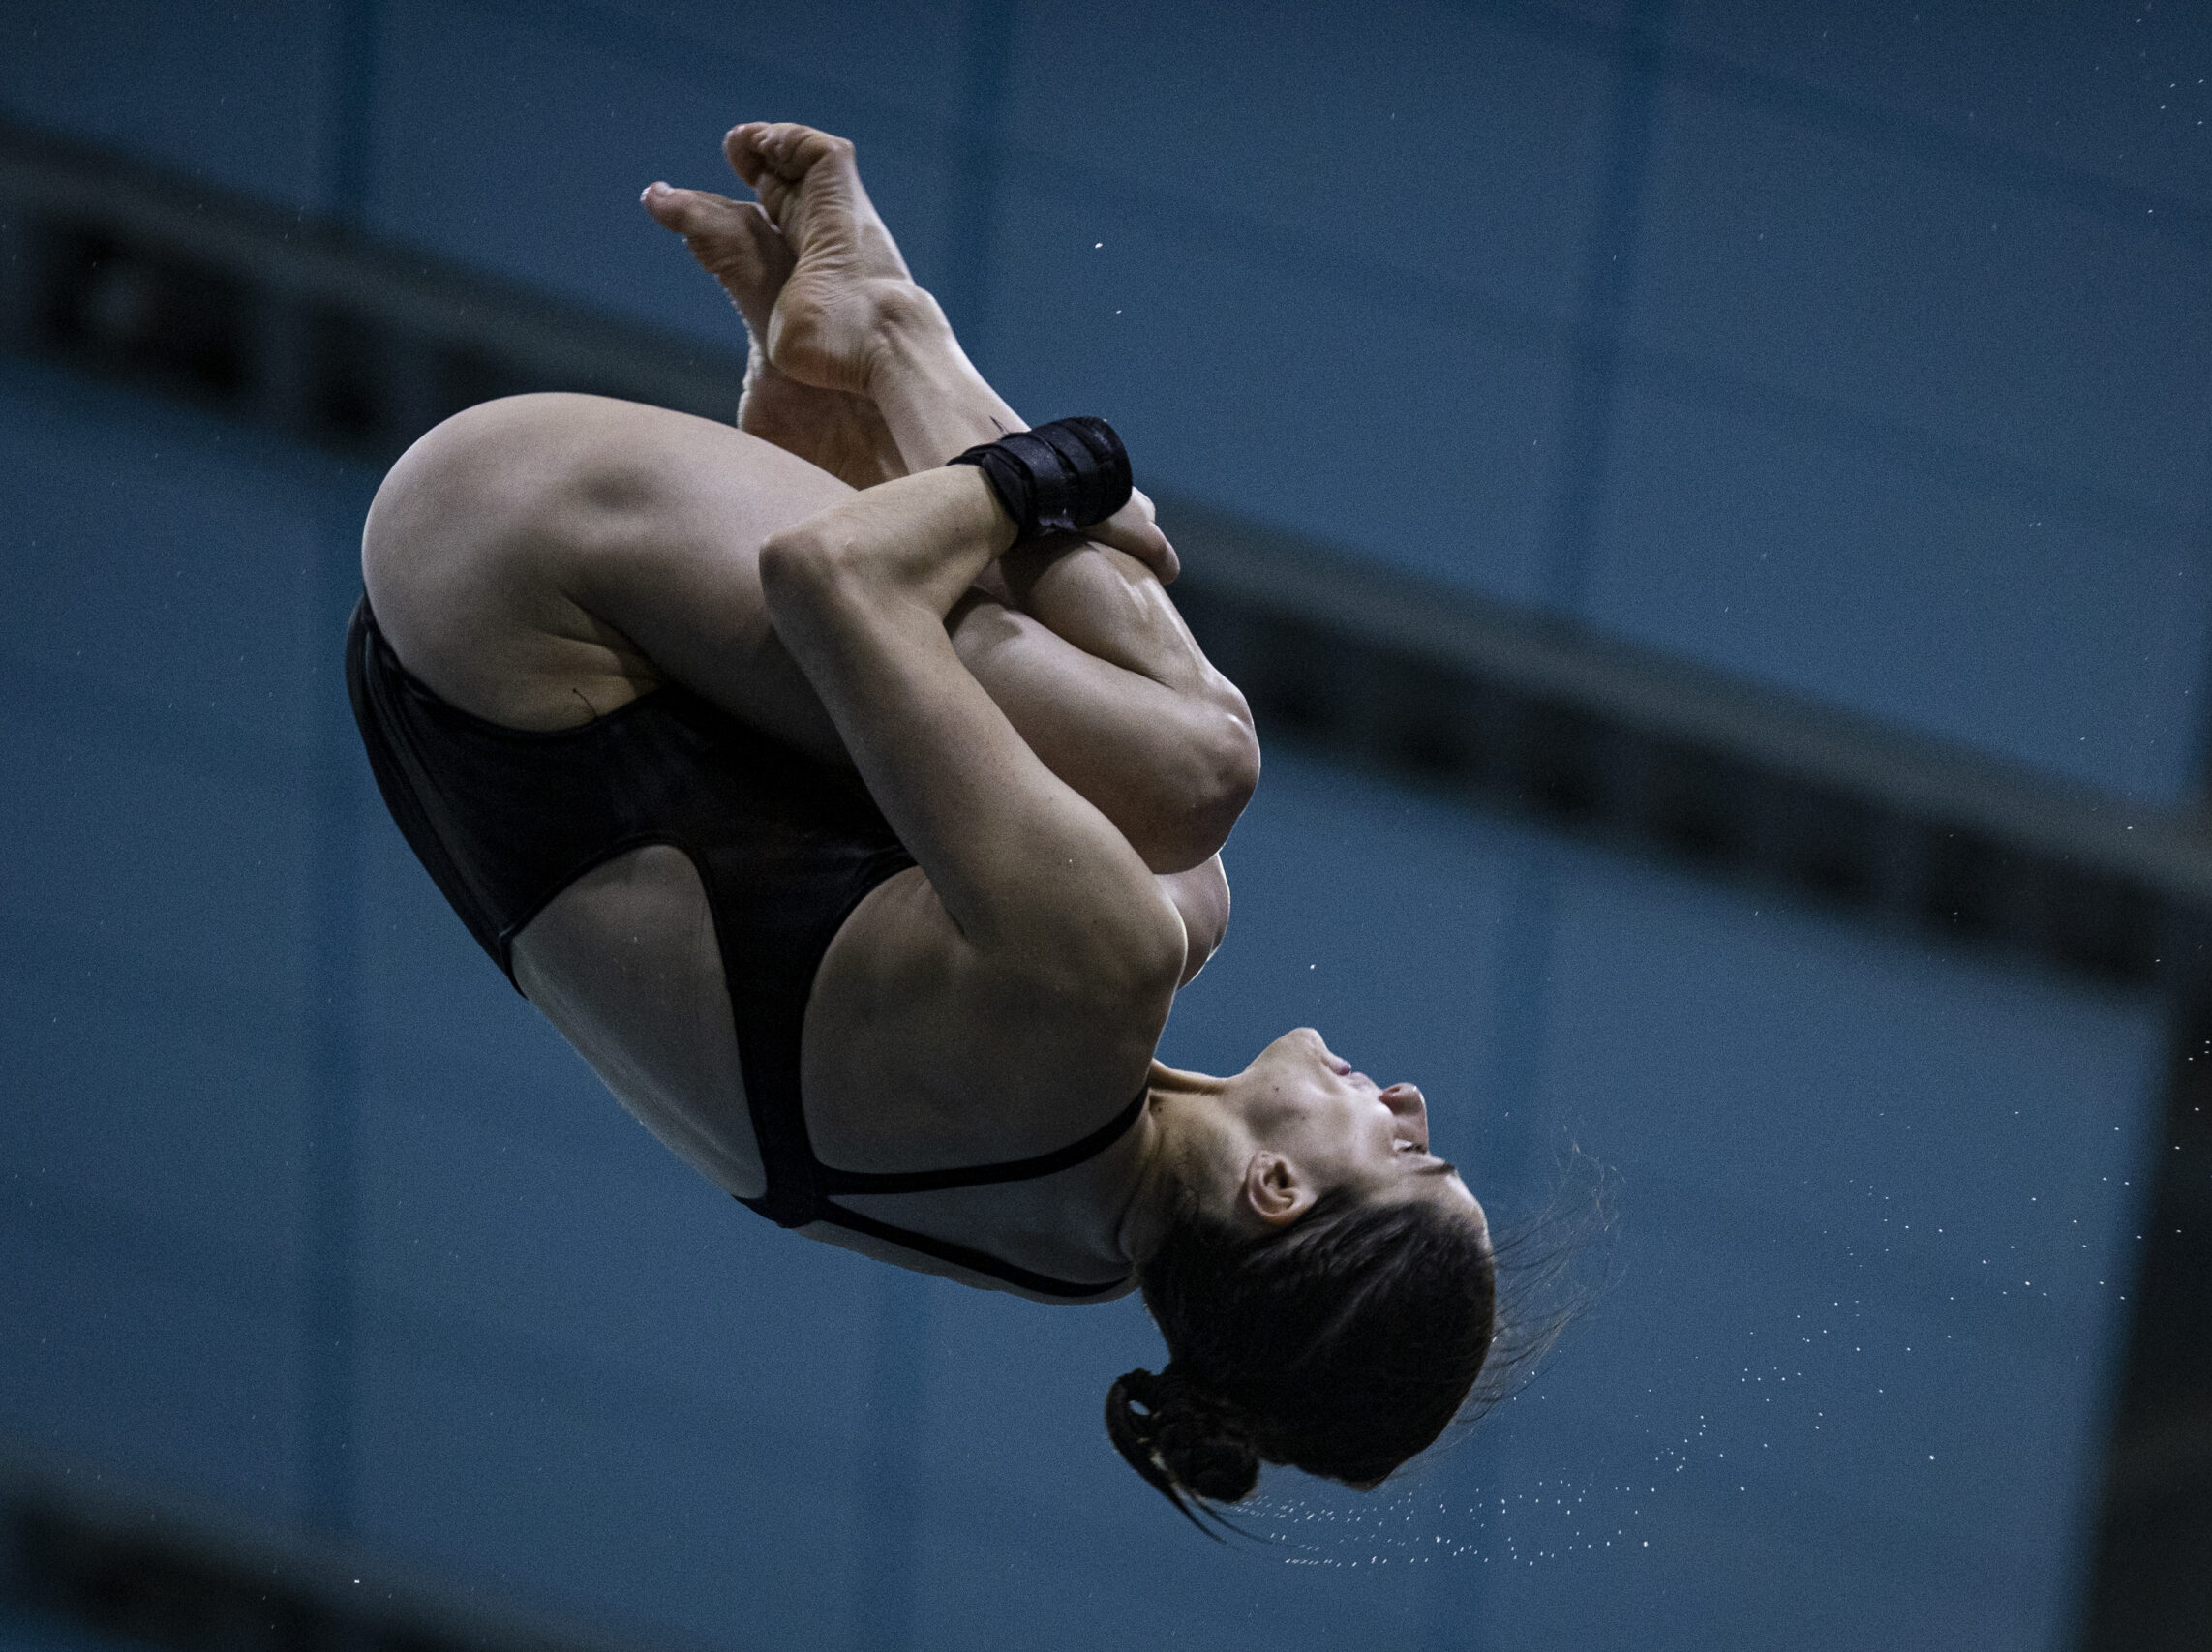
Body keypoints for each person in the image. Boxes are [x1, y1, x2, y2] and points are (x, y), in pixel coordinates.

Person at [348, 122, 1496, 1524]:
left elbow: (829, 582)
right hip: (492, 712)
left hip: (509, 557)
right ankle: (829, 383)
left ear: (1272, 1189)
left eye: (1409, 1155)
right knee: (1153, 866)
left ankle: (883, 325)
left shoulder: (1090, 983)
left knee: (1194, 773)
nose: (1412, 1103)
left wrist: (1062, 475)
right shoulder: (1073, 1255)